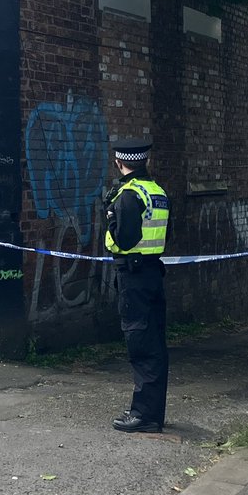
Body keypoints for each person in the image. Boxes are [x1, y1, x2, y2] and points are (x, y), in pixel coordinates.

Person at [105, 138, 170, 433]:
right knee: (154, 342)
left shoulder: (129, 194)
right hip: (152, 271)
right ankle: (152, 411)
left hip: (133, 275)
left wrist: (110, 218)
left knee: (140, 342)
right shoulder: (157, 191)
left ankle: (144, 415)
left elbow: (125, 239)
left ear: (120, 162)